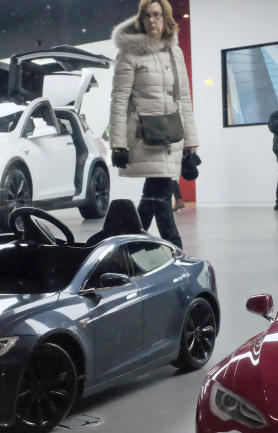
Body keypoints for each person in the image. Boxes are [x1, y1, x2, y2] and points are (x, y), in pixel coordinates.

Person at [109, 0, 198, 248]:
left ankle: (130, 246)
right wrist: (118, 143)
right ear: (141, 19)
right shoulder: (129, 53)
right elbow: (119, 101)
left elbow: (183, 98)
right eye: (147, 15)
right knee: (160, 193)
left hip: (171, 134)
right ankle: (175, 246)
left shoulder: (174, 51)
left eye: (157, 15)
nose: (152, 20)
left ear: (166, 18)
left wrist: (191, 140)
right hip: (143, 135)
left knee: (153, 194)